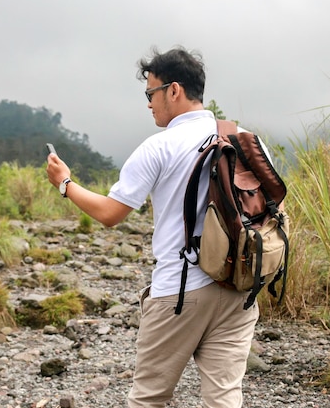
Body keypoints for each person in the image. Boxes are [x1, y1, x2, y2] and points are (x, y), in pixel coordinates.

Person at [46, 46, 259, 408]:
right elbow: (274, 207)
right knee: (224, 397)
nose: (148, 104)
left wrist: (66, 184)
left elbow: (111, 213)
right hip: (240, 287)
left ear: (173, 90)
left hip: (180, 290)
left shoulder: (158, 146)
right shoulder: (245, 138)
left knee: (148, 398)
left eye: (150, 93)